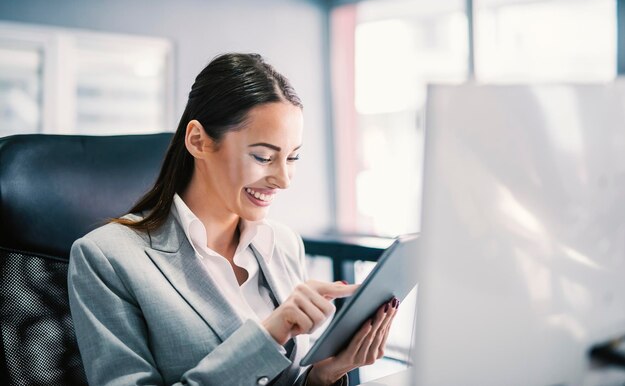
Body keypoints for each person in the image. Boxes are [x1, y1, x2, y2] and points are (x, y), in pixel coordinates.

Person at [67, 53, 399, 386]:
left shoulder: (283, 243)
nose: (283, 180)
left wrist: (324, 374)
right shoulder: (105, 257)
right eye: (263, 157)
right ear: (198, 140)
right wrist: (270, 335)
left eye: (292, 157)